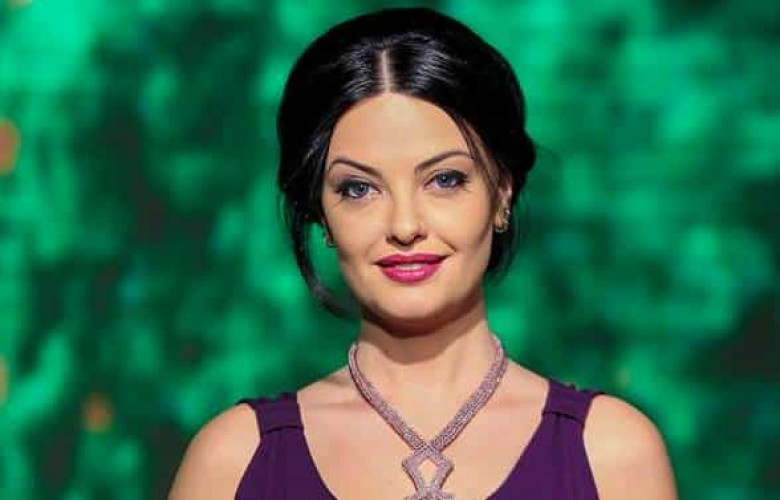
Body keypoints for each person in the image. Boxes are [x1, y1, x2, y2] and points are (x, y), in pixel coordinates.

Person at [168, 7, 677, 499]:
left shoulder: (610, 454)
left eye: (445, 180)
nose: (405, 226)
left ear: (502, 192)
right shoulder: (233, 461)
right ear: (320, 214)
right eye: (359, 189)